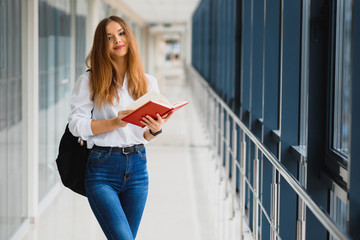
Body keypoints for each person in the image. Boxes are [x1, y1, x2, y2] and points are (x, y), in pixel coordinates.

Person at [68, 15, 173, 240]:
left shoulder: (147, 82)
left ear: (129, 37)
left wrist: (155, 129)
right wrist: (115, 122)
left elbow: (144, 134)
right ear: (102, 44)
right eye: (109, 37)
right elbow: (76, 125)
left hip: (137, 168)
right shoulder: (89, 81)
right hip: (102, 168)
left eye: (121, 33)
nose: (117, 39)